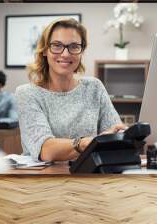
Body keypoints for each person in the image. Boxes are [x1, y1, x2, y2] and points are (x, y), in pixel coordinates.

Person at [15, 18, 126, 162]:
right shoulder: (27, 93)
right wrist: (85, 143)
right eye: (56, 45)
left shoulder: (94, 87)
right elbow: (45, 150)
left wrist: (126, 134)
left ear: (81, 51)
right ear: (44, 50)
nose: (66, 54)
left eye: (74, 46)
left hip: (90, 176)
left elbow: (115, 134)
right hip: (44, 179)